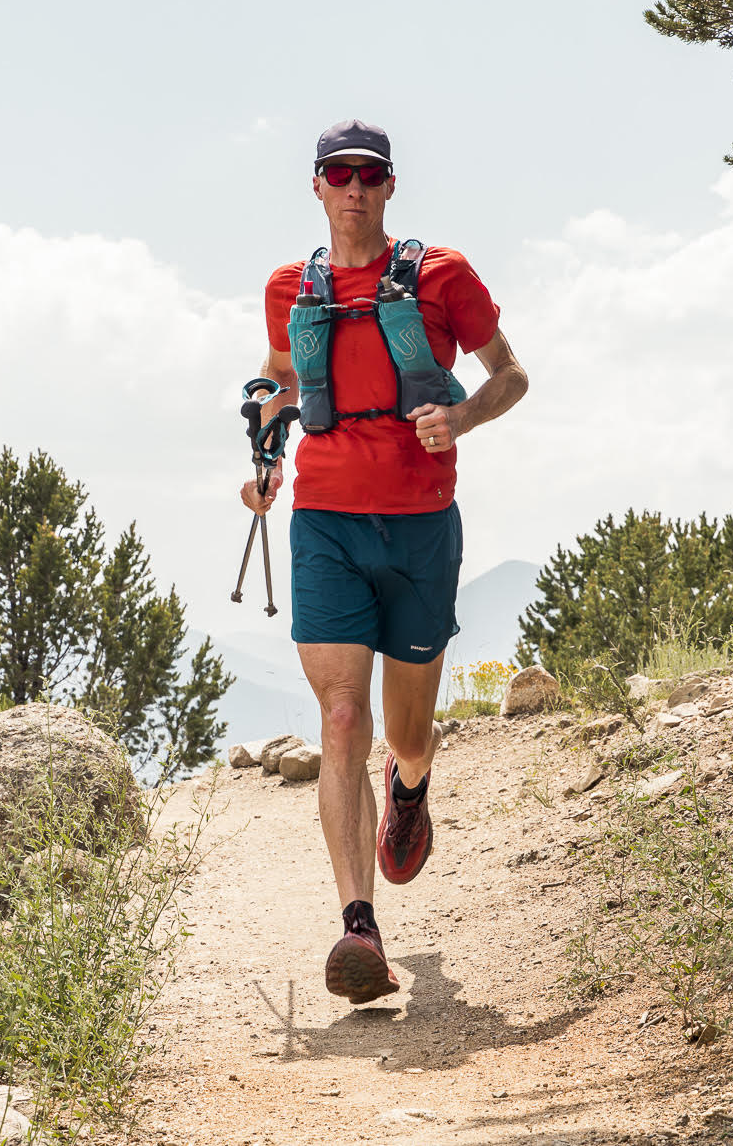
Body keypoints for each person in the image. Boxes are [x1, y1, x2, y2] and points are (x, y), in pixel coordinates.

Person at [240, 119, 529, 1004]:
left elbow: (509, 374)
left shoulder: (442, 276)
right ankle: (357, 925)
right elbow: (278, 377)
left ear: (390, 186)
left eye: (369, 174)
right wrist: (264, 455)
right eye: (339, 173)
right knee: (338, 718)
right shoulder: (292, 287)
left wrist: (465, 418)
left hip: (419, 527)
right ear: (318, 186)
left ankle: (411, 787)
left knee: (405, 732)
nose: (354, 187)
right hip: (324, 520)